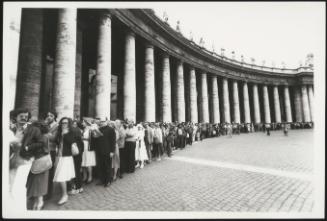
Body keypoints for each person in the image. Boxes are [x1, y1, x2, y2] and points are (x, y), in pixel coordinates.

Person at [9, 108, 35, 211]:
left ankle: (19, 210)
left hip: (24, 161)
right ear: (15, 117)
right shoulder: (12, 129)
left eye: (26, 116)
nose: (24, 118)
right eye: (21, 116)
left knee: (18, 186)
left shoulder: (30, 129)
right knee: (10, 185)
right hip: (12, 160)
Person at [25, 121, 50, 210]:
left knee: (39, 182)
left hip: (40, 161)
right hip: (38, 161)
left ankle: (40, 201)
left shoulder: (43, 137)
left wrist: (28, 147)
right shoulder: (41, 137)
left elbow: (40, 147)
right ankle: (38, 201)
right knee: (37, 182)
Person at [53, 117, 78, 205]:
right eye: (63, 123)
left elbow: (71, 142)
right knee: (67, 174)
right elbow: (56, 142)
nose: (64, 124)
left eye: (66, 123)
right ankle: (71, 189)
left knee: (61, 176)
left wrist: (65, 134)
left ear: (69, 124)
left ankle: (64, 195)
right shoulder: (59, 133)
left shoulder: (70, 133)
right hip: (59, 156)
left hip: (67, 157)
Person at [93, 118, 116, 187]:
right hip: (99, 150)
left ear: (106, 121)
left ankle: (108, 180)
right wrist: (94, 133)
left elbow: (113, 141)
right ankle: (102, 180)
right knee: (100, 166)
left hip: (107, 151)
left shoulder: (111, 129)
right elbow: (96, 139)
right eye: (101, 122)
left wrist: (112, 151)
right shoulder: (99, 129)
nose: (102, 123)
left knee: (107, 166)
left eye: (103, 121)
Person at [44, 111, 58, 200]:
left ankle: (48, 193)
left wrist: (44, 133)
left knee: (49, 172)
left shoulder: (57, 126)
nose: (49, 117)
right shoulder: (45, 125)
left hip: (51, 150)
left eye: (51, 116)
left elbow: (53, 138)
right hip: (43, 150)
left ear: (54, 117)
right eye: (48, 115)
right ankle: (42, 190)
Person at [81, 119, 96, 184]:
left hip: (88, 147)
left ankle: (90, 177)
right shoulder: (84, 130)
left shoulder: (91, 130)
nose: (82, 123)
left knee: (89, 162)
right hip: (83, 147)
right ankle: (84, 177)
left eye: (83, 122)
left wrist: (83, 138)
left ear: (87, 123)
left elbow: (93, 138)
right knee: (83, 162)